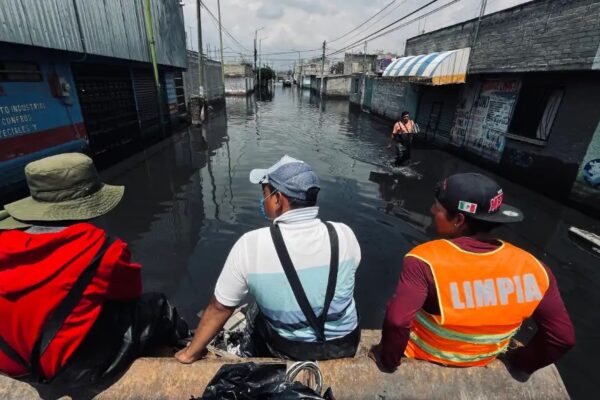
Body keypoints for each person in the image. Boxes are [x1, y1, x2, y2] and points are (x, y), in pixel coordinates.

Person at [0, 153, 190, 386]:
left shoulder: (5, 241)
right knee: (158, 306)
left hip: (12, 364)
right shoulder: (103, 249)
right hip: (63, 367)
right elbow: (129, 295)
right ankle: (184, 347)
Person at [370, 173, 575, 375]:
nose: (432, 210)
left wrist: (387, 360)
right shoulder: (535, 268)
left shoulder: (424, 260)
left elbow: (397, 322)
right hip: (485, 359)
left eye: (438, 207)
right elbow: (561, 338)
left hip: (423, 354)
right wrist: (520, 363)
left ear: (459, 219)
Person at [176, 155, 362, 363]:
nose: (263, 200)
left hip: (292, 351)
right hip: (346, 344)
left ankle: (247, 354)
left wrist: (189, 353)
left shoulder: (251, 245)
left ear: (277, 199)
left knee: (255, 311)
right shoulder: (344, 234)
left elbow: (220, 307)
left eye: (264, 192)